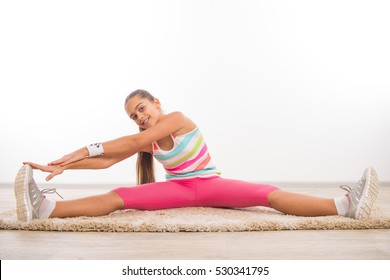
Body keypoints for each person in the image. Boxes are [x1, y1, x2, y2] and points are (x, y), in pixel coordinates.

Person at [14, 89, 380, 222]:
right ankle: (46, 210)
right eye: (134, 116)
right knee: (118, 198)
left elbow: (121, 146)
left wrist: (71, 154)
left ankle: (345, 205)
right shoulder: (147, 139)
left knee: (269, 195)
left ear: (156, 104)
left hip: (211, 185)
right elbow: (109, 160)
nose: (141, 117)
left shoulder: (176, 119)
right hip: (178, 191)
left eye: (142, 109)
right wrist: (62, 166)